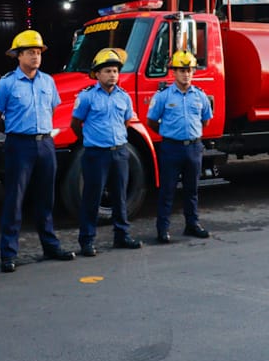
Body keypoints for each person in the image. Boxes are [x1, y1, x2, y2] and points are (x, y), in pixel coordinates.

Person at [0, 29, 76, 273]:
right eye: (30, 52)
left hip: (46, 143)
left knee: (45, 198)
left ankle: (50, 245)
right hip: (19, 144)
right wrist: (16, 133)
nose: (35, 56)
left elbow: (53, 109)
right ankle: (8, 254)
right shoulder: (7, 83)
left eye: (38, 52)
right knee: (15, 200)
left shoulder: (48, 82)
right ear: (18, 55)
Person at [71, 48, 143, 257]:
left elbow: (127, 121)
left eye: (115, 71)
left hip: (120, 153)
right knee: (92, 198)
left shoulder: (124, 97)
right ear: (97, 74)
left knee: (120, 196)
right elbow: (76, 123)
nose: (112, 75)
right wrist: (89, 141)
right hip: (96, 154)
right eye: (108, 71)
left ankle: (122, 235)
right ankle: (87, 240)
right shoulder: (87, 97)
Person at [146, 50, 213, 243]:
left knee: (192, 190)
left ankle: (192, 225)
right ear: (173, 72)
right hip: (171, 148)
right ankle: (163, 229)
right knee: (167, 190)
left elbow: (205, 121)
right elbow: (151, 121)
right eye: (181, 70)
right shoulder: (163, 96)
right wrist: (170, 133)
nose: (186, 74)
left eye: (189, 70)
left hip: (193, 148)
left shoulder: (200, 96)